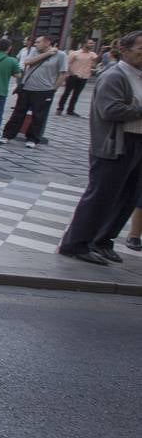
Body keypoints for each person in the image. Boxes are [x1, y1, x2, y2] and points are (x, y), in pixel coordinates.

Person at [57, 30, 142, 265]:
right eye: (140, 49)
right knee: (101, 195)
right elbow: (110, 110)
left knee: (128, 196)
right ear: (124, 51)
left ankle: (103, 240)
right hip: (115, 144)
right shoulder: (115, 76)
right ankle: (76, 243)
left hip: (137, 141)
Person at [3, 36, 67, 148]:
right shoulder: (34, 51)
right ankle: (8, 135)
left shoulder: (61, 55)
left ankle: (32, 138)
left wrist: (54, 88)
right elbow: (27, 62)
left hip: (44, 90)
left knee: (38, 116)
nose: (35, 44)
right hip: (27, 87)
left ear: (47, 42)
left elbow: (63, 73)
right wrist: (47, 54)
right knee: (18, 112)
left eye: (38, 42)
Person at [59, 40, 99, 117]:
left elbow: (96, 61)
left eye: (93, 43)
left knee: (76, 94)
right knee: (66, 93)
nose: (92, 45)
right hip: (73, 76)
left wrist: (101, 51)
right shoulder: (75, 53)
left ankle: (70, 110)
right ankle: (60, 108)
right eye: (90, 43)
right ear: (85, 44)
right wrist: (71, 73)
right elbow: (67, 64)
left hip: (84, 76)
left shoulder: (92, 54)